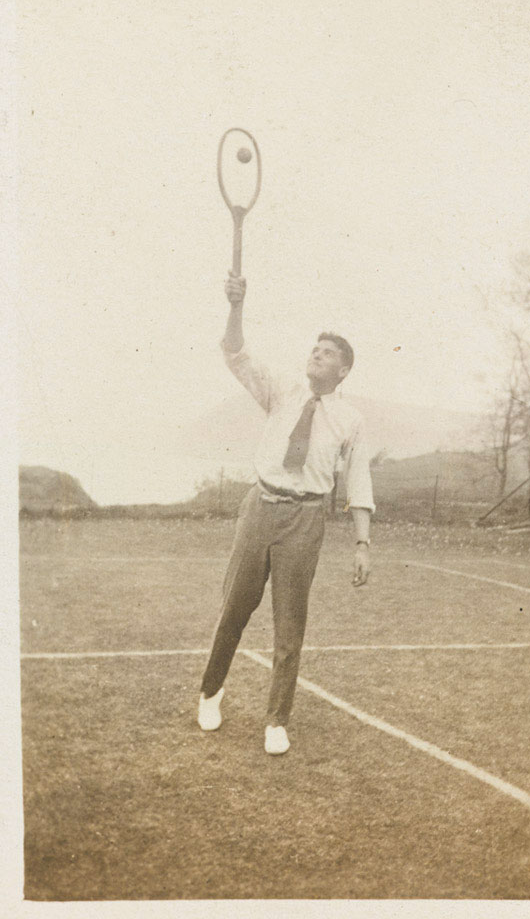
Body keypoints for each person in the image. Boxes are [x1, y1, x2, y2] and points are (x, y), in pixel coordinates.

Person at [198, 272, 374, 755]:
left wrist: (362, 544)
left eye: (328, 353)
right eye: (315, 349)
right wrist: (235, 305)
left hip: (305, 520)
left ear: (343, 371)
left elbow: (359, 482)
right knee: (234, 608)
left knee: (289, 624)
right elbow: (236, 354)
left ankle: (277, 720)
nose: (317, 355)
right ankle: (210, 693)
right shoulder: (282, 390)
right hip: (259, 508)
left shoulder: (351, 419)